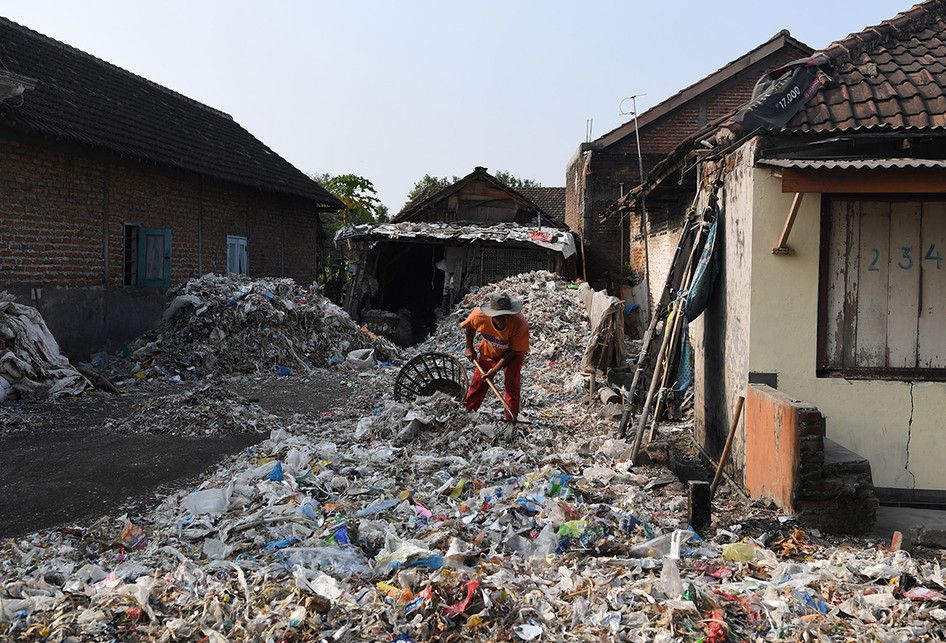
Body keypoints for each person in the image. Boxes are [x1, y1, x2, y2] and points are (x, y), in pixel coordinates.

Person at [460, 290, 529, 421]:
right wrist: (469, 347)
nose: (503, 320)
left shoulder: (519, 323)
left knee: (511, 385)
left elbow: (514, 351)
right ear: (491, 315)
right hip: (490, 350)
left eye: (506, 316)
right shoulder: (479, 315)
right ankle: (468, 412)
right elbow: (470, 326)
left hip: (512, 355)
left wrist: (496, 369)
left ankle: (511, 419)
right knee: (479, 382)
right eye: (499, 317)